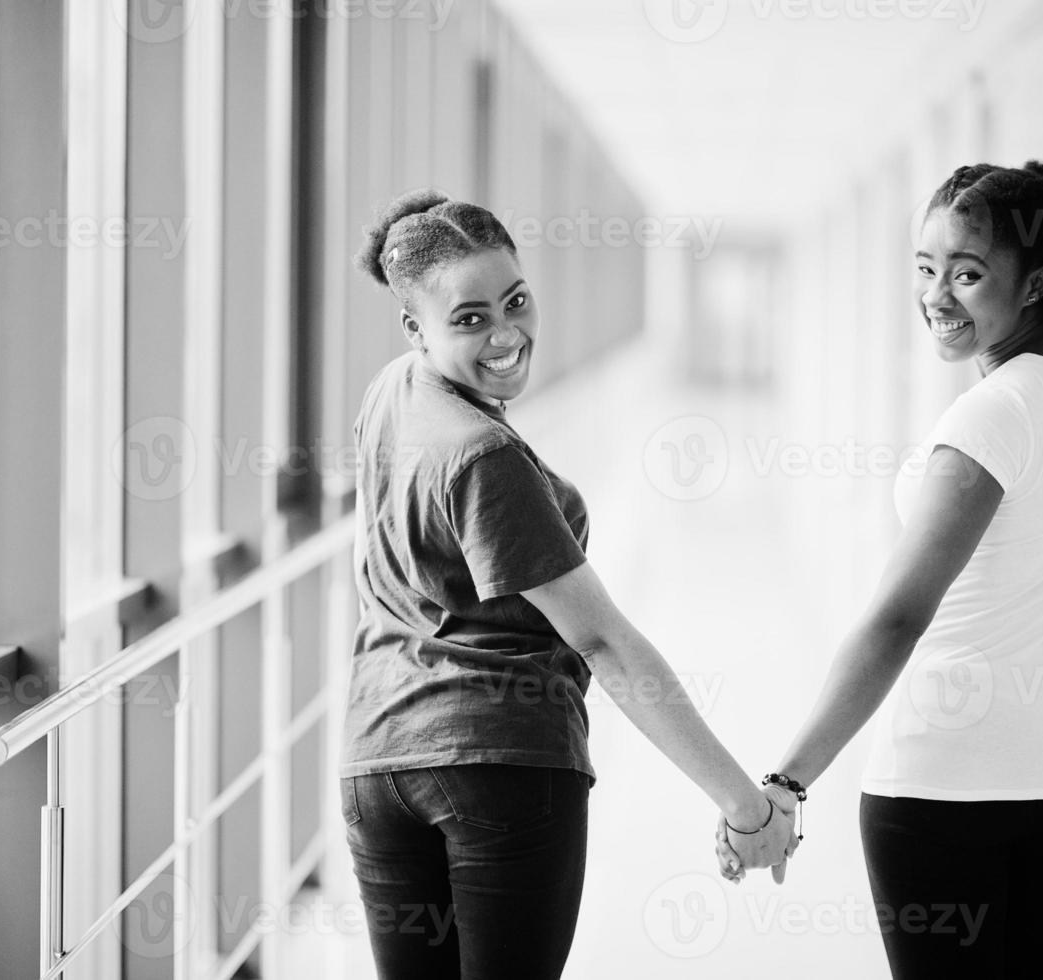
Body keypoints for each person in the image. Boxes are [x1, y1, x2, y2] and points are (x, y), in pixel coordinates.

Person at [340, 189, 797, 980]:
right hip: (500, 766)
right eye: (470, 319)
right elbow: (605, 643)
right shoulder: (484, 456)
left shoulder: (391, 392)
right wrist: (746, 806)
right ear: (414, 326)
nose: (507, 334)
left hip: (377, 766)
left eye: (514, 301)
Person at [719, 160, 1043, 979]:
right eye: (925, 267)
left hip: (946, 788)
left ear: (1037, 282)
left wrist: (786, 783)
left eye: (967, 274)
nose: (936, 295)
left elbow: (897, 620)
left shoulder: (990, 414)